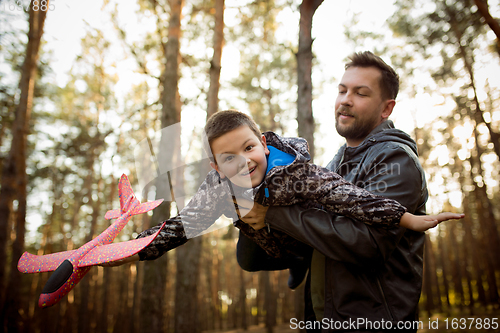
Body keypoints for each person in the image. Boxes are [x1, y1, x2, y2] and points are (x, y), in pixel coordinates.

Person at [105, 109, 462, 286]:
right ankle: (291, 263)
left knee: (304, 245)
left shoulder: (296, 174)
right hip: (264, 242)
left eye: (248, 148)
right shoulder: (217, 187)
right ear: (215, 165)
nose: (243, 162)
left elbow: (351, 198)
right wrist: (134, 250)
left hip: (308, 238)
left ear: (262, 143)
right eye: (229, 158)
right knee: (245, 258)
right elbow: (182, 226)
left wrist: (406, 217)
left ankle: (301, 260)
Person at [235, 51, 445, 332]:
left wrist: (273, 216)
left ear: (386, 108)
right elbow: (311, 238)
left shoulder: (396, 160)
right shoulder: (334, 165)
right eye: (342, 90)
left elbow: (367, 243)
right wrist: (256, 198)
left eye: (361, 93)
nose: (345, 99)